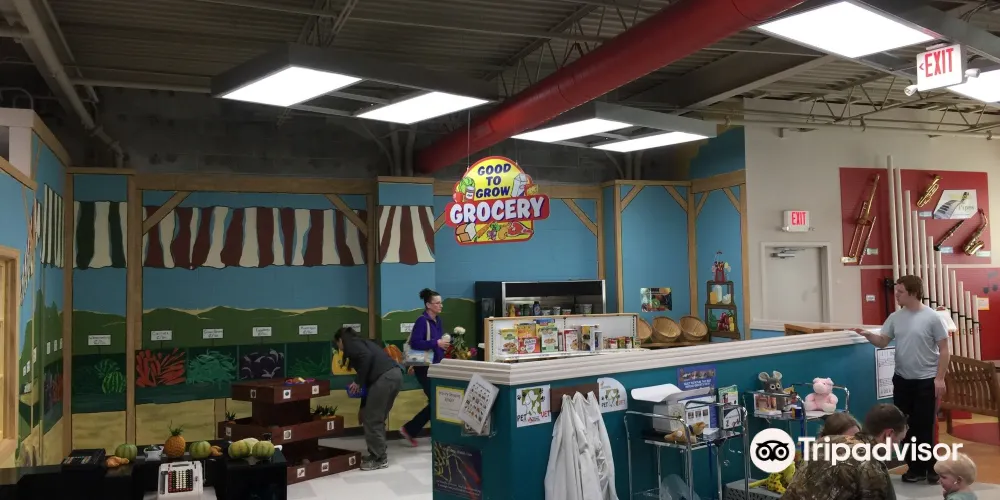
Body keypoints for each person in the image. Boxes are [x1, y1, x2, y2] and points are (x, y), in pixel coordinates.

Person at [853, 275, 950, 484]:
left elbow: (944, 350)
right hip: (902, 379)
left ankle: (931, 467)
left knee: (924, 426)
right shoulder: (895, 317)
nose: (896, 295)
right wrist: (868, 335)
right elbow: (883, 341)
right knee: (903, 426)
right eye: (896, 291)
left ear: (913, 293)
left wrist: (940, 378)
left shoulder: (933, 317)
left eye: (900, 292)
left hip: (926, 380)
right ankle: (915, 469)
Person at [783, 403, 908, 500]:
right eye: (899, 440)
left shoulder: (823, 442)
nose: (897, 447)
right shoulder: (870, 465)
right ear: (888, 434)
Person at [335, 326, 402, 470]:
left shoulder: (351, 344)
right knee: (376, 417)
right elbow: (368, 383)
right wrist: (362, 407)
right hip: (394, 375)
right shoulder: (362, 343)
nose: (339, 348)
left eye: (337, 344)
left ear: (340, 340)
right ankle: (377, 453)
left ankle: (379, 458)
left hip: (384, 378)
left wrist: (357, 382)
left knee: (372, 419)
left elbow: (367, 358)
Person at [399, 288, 449, 446]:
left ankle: (413, 430)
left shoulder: (438, 320)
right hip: (424, 368)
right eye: (437, 303)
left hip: (436, 366)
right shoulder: (422, 321)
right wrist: (436, 343)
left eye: (441, 303)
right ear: (428, 305)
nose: (440, 305)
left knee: (436, 401)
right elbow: (415, 342)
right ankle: (411, 429)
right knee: (436, 401)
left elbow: (437, 342)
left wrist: (442, 345)